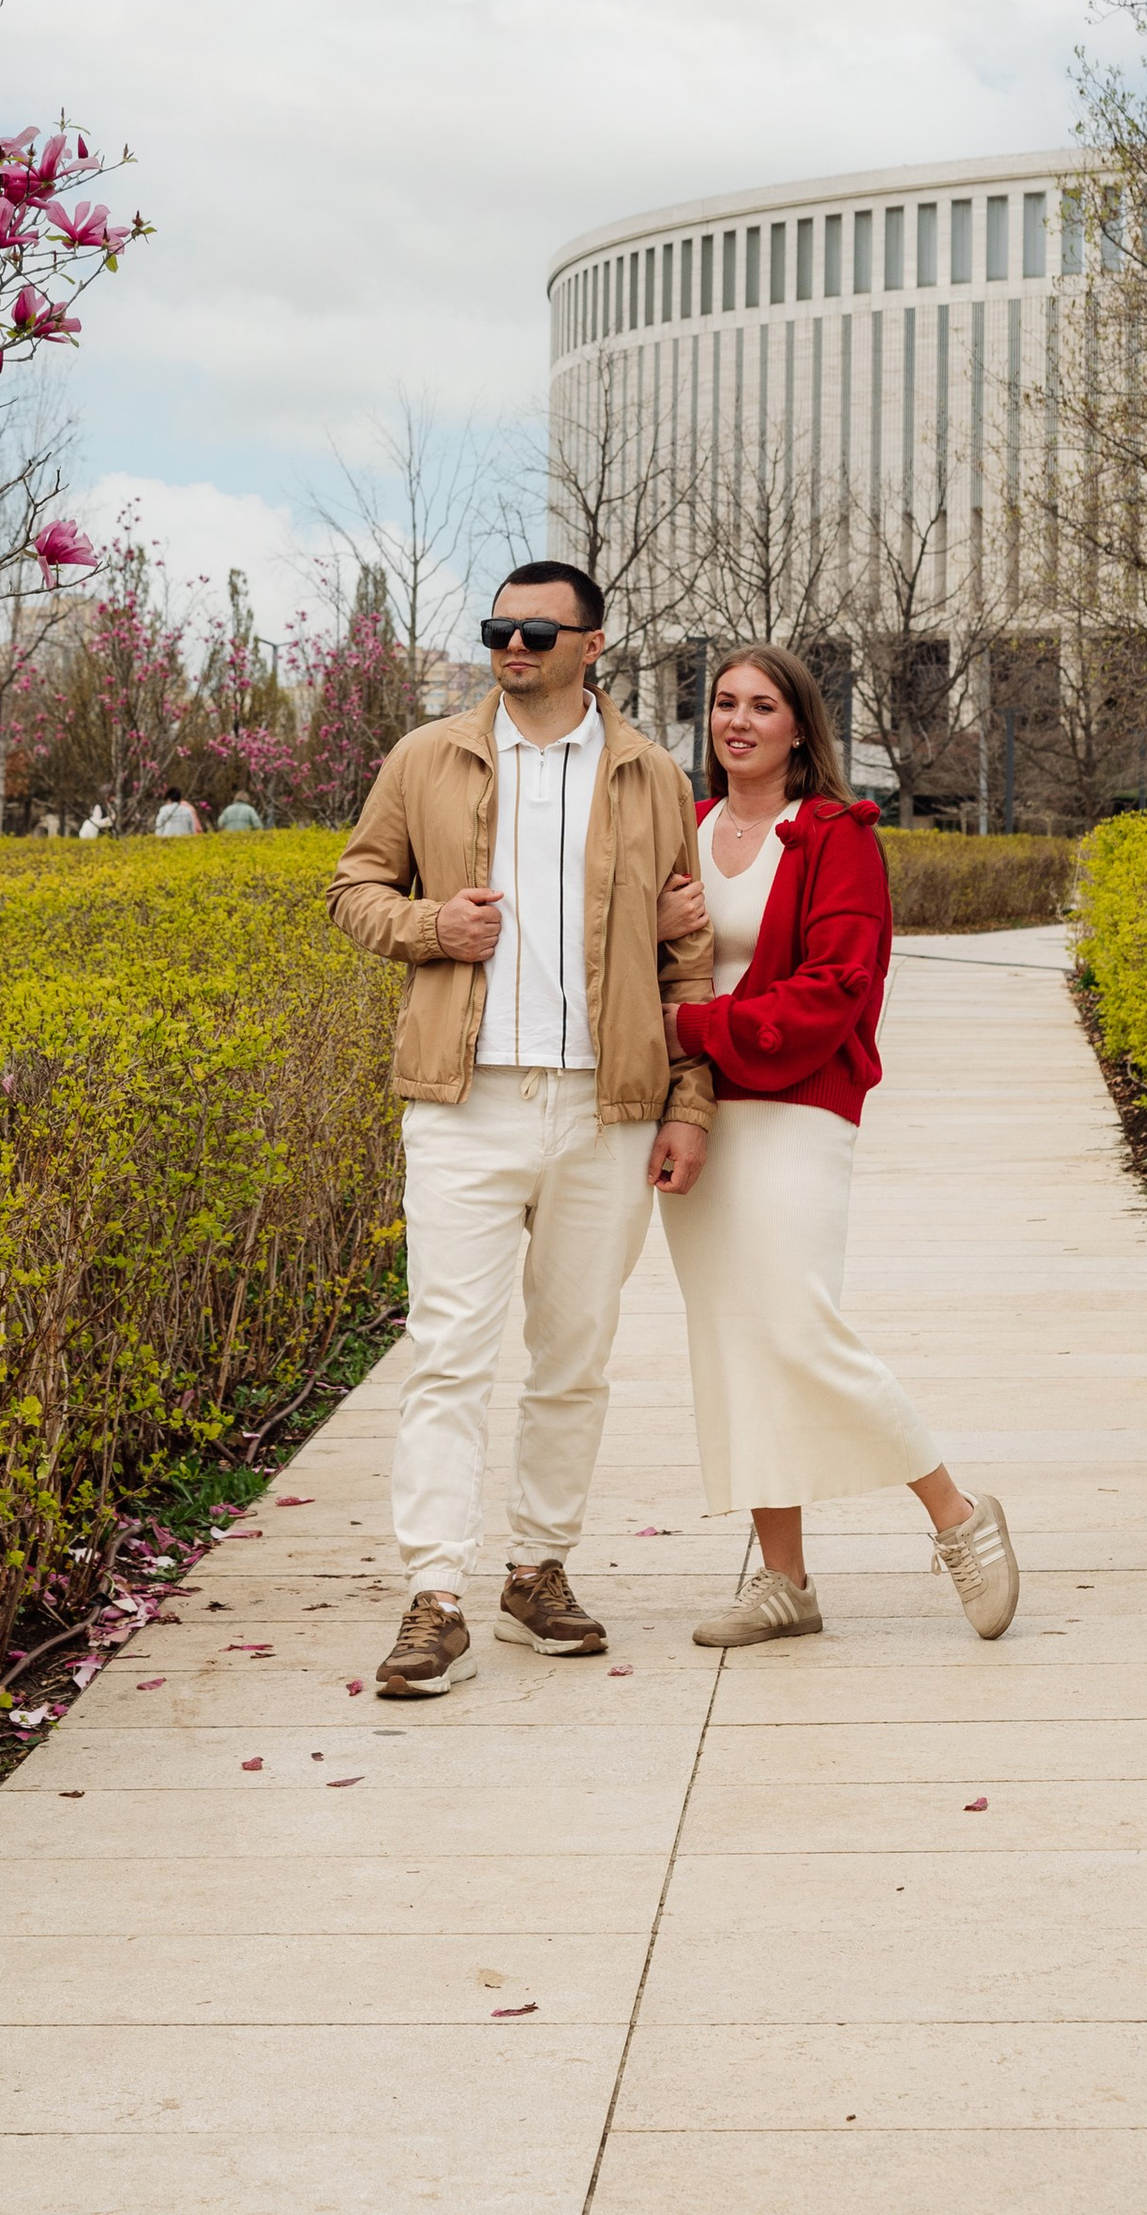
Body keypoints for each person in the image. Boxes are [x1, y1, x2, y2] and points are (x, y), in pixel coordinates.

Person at [331, 560, 713, 1698]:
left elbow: (683, 958)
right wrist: (429, 925)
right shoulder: (427, 758)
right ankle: (433, 1597)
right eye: (499, 628)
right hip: (465, 1101)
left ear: (593, 645)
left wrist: (687, 1103)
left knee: (573, 1359)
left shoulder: (650, 775)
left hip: (606, 1110)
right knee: (447, 1351)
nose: (513, 647)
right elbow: (352, 887)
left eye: (538, 633)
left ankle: (537, 1571)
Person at [658, 644, 1018, 1648]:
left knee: (795, 1325)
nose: (736, 721)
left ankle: (956, 1516)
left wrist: (689, 1030)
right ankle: (784, 1582)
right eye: (722, 703)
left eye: (760, 706)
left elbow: (834, 992)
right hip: (695, 1115)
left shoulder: (833, 835)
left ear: (796, 726)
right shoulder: (682, 835)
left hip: (795, 1107)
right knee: (731, 1339)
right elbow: (636, 964)